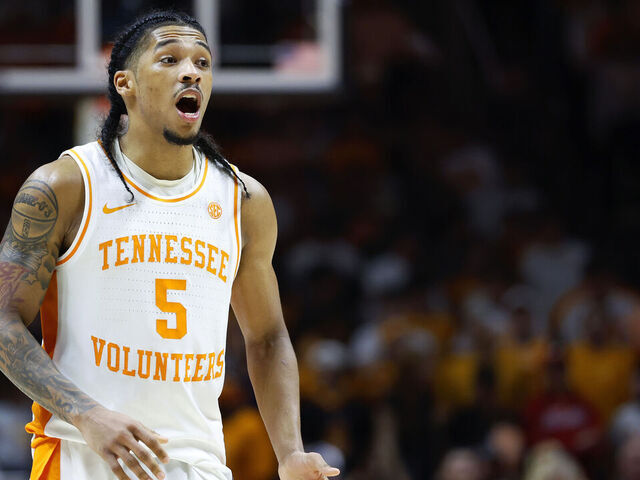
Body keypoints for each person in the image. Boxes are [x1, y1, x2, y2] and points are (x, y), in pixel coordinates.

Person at [0, 10, 340, 480]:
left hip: (199, 465)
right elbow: (4, 323)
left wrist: (290, 452)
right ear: (125, 83)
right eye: (170, 59)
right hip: (84, 456)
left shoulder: (243, 200)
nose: (191, 71)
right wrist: (86, 414)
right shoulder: (65, 185)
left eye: (203, 62)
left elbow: (266, 337)